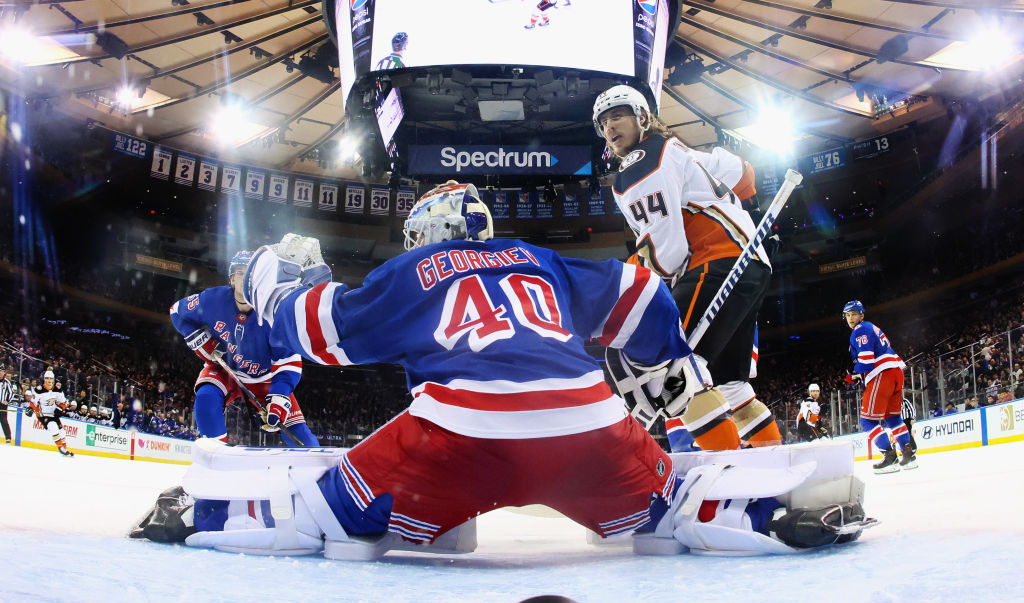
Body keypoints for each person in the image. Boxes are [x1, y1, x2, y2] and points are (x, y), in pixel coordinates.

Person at [134, 183, 875, 558]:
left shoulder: (415, 266)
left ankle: (199, 512)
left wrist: (272, 277)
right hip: (589, 427)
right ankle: (771, 511)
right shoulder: (543, 259)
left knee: (327, 516)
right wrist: (665, 360)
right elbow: (645, 300)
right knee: (667, 509)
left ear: (428, 233)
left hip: (456, 438)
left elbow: (314, 333)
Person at [592, 84, 782, 452]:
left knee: (673, 371)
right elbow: (744, 174)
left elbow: (668, 251)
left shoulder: (639, 163)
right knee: (730, 386)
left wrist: (629, 283)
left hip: (717, 263)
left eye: (617, 115)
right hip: (751, 262)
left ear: (642, 117)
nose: (609, 127)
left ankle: (727, 475)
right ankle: (773, 472)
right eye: (603, 122)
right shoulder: (680, 149)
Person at [169, 248, 318, 446]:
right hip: (225, 369)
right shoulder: (212, 300)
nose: (245, 277)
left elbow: (288, 362)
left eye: (250, 272)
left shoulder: (273, 312)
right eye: (240, 272)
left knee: (300, 436)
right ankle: (215, 460)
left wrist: (280, 396)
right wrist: (201, 340)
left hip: (266, 378)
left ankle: (315, 471)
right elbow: (177, 311)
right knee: (205, 399)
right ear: (231, 279)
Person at [842, 300, 916, 472]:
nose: (851, 318)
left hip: (882, 374)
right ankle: (909, 454)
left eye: (854, 314)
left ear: (861, 315)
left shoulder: (860, 330)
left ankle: (889, 457)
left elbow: (866, 360)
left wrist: (854, 373)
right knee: (893, 418)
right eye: (848, 315)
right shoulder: (872, 327)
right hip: (895, 372)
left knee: (867, 421)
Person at [26, 370, 74, 457]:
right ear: (44, 379)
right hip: (43, 414)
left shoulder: (58, 390)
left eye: (51, 378)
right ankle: (60, 447)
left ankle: (65, 448)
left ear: (54, 380)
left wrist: (60, 408)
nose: (49, 380)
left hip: (54, 414)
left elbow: (64, 403)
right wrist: (30, 408)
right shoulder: (38, 390)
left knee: (62, 432)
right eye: (47, 378)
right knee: (53, 426)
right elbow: (33, 403)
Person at [0, 368, 16, 444]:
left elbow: (11, 393)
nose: (1, 373)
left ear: (4, 373)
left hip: (2, 404)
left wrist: (7, 401)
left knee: (4, 421)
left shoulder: (6, 382)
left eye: (2, 372)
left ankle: (8, 438)